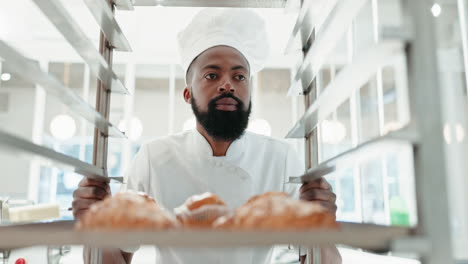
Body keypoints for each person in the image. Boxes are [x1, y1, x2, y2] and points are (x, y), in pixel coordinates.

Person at [72, 8, 341, 264]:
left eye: (239, 77)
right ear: (188, 94)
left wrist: (322, 227)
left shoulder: (280, 159)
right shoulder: (154, 158)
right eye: (212, 75)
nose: (228, 84)